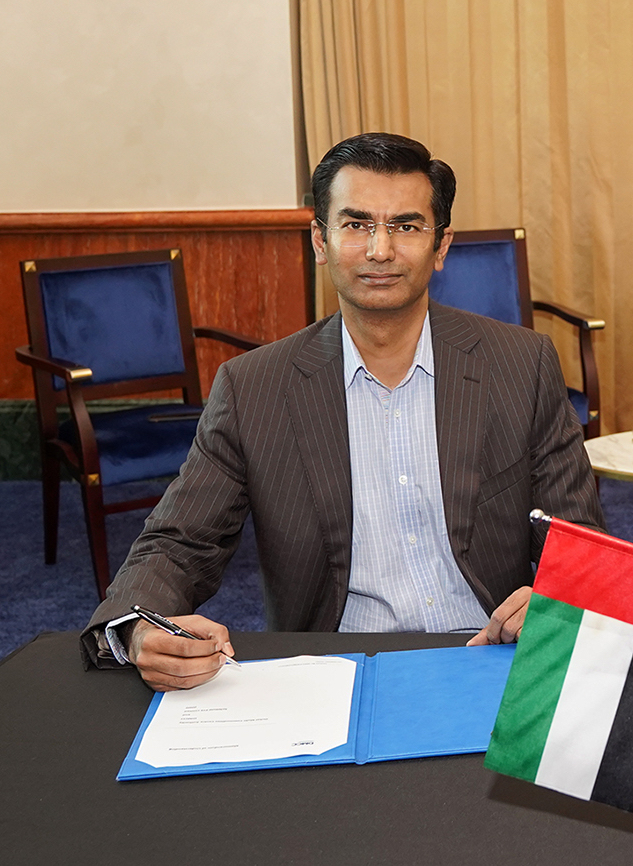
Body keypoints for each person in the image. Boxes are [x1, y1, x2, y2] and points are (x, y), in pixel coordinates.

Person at [81, 133, 605, 690]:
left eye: (406, 226)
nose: (380, 250)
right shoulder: (254, 388)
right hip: (332, 672)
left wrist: (558, 601)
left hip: (488, 656)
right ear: (320, 241)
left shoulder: (520, 365)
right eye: (356, 225)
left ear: (441, 246)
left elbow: (581, 544)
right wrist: (138, 628)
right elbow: (179, 542)